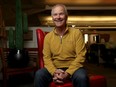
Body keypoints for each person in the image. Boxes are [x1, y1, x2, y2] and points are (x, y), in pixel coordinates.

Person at [34, 4, 89, 87]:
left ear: (66, 16)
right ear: (52, 17)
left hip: (74, 68)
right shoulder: (48, 37)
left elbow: (81, 56)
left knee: (82, 77)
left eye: (61, 14)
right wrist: (54, 72)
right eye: (55, 14)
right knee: (39, 74)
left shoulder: (76, 33)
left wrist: (67, 73)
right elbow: (47, 58)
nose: (58, 17)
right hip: (55, 68)